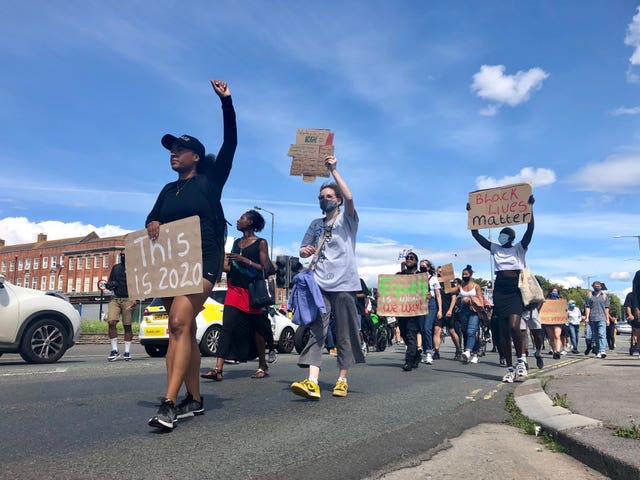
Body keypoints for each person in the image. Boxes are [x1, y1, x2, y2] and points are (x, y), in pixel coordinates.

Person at [145, 80, 236, 430]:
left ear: (195, 157)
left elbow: (230, 144)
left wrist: (226, 103)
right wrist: (153, 222)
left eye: (180, 149)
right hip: (170, 267)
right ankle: (195, 399)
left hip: (203, 262)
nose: (173, 153)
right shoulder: (168, 189)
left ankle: (168, 403)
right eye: (171, 149)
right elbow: (152, 217)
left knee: (179, 323)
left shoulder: (210, 183)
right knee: (182, 329)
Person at [290, 155, 365, 399]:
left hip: (344, 284)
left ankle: (342, 378)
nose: (324, 200)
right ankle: (312, 380)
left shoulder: (347, 220)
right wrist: (304, 251)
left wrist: (334, 170)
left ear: (338, 201)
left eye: (329, 197)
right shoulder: (315, 224)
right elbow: (303, 250)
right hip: (319, 284)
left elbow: (351, 197)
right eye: (321, 197)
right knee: (317, 330)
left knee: (344, 332)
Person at [201, 210, 274, 381]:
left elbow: (266, 268)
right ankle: (218, 369)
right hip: (234, 289)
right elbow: (229, 268)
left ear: (250, 222)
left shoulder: (261, 243)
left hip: (251, 292)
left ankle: (262, 365)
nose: (238, 220)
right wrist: (215, 262)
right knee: (227, 326)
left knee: (256, 329)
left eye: (242, 218)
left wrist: (245, 261)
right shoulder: (236, 242)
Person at [470, 195, 535, 383]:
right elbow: (476, 235)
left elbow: (530, 228)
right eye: (501, 233)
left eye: (505, 233)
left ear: (512, 237)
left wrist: (530, 208)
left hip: (514, 289)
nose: (501, 235)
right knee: (503, 330)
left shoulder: (519, 248)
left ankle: (521, 360)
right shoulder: (495, 248)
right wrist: (472, 214)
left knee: (515, 326)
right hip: (499, 290)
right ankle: (509, 367)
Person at [394, 252, 423, 371]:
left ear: (416, 261)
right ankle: (416, 354)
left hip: (414, 310)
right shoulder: (399, 275)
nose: (408, 259)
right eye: (407, 258)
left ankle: (408, 360)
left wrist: (427, 296)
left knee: (411, 334)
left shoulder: (421, 276)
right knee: (404, 334)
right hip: (402, 310)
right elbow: (393, 289)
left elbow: (425, 291)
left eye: (411, 258)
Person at [105, 252, 137, 361]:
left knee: (127, 325)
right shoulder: (116, 268)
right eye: (122, 255)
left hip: (128, 298)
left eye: (125, 254)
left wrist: (135, 298)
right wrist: (110, 285)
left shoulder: (134, 269)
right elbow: (109, 282)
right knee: (111, 321)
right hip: (115, 298)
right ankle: (115, 350)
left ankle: (127, 352)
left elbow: (137, 284)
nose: (123, 256)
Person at [456, 265, 484, 364]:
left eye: (466, 274)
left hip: (474, 310)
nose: (464, 276)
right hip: (463, 310)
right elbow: (449, 291)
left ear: (471, 275)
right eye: (463, 274)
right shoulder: (460, 286)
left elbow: (481, 301)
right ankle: (474, 351)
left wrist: (470, 299)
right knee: (465, 331)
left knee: (471, 331)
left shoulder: (476, 286)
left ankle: (469, 352)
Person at [419, 259, 442, 363]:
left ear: (428, 267)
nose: (422, 267)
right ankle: (425, 351)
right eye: (421, 266)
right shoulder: (417, 278)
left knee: (427, 327)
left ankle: (429, 353)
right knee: (422, 329)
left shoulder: (433, 279)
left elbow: (438, 295)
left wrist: (440, 310)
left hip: (431, 304)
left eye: (424, 266)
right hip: (420, 304)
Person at [436, 266, 461, 359]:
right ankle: (436, 351)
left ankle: (458, 349)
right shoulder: (436, 283)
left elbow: (454, 298)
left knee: (451, 330)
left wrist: (450, 310)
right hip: (439, 310)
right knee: (437, 330)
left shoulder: (450, 283)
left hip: (448, 310)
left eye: (441, 272)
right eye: (438, 272)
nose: (440, 273)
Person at [584, 281, 610, 359]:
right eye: (595, 286)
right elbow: (587, 307)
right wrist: (587, 317)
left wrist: (607, 319)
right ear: (593, 286)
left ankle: (602, 350)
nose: (597, 287)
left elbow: (606, 308)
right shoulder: (589, 296)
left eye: (598, 286)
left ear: (601, 287)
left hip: (602, 318)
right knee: (595, 336)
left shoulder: (605, 296)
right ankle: (598, 350)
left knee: (601, 334)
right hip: (592, 318)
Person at [520, 301, 545, 369]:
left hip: (533, 311)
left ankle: (538, 353)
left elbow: (540, 299)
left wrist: (537, 310)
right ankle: (523, 359)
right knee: (522, 335)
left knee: (538, 335)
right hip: (520, 311)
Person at [544, 288, 564, 359]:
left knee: (557, 335)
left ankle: (558, 351)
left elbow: (564, 310)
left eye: (556, 291)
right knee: (551, 337)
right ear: (550, 292)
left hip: (557, 321)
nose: (555, 292)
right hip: (548, 321)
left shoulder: (561, 301)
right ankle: (554, 351)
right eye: (553, 291)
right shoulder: (546, 301)